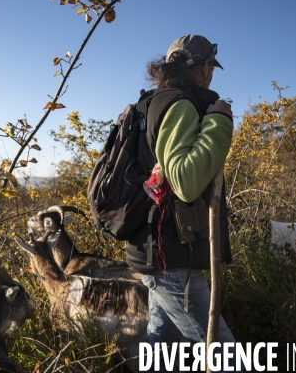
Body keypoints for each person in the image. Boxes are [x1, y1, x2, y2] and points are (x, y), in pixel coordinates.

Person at [125, 34, 240, 372]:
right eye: (210, 67)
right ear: (203, 67)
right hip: (171, 257)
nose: (211, 74)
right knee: (224, 354)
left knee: (161, 347)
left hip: (152, 250)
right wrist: (219, 121)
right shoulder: (179, 104)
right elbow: (186, 182)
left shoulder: (150, 103)